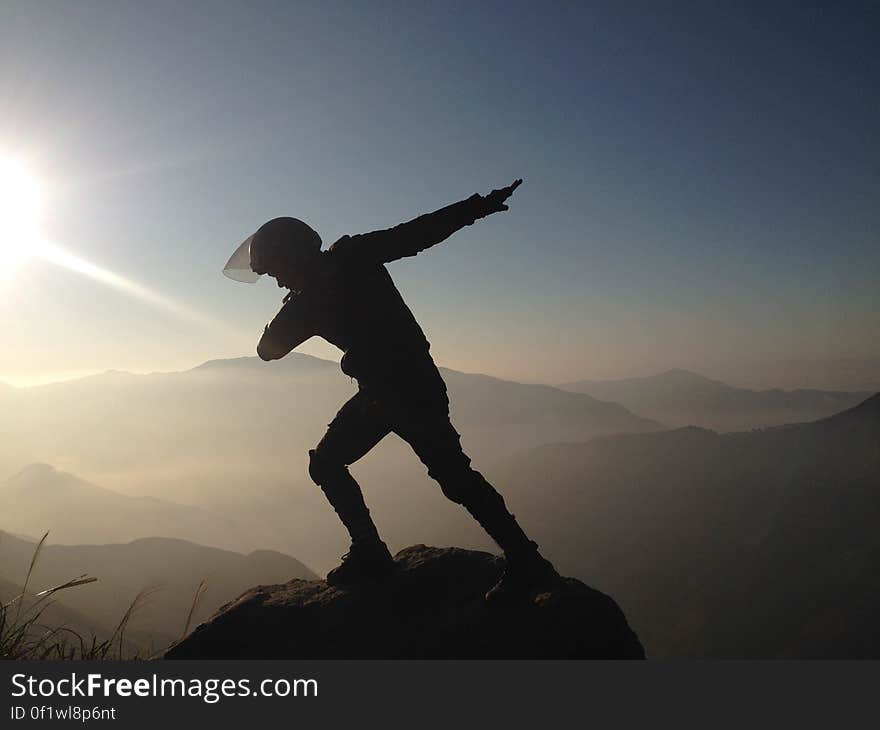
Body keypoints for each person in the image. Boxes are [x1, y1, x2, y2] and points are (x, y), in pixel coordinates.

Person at [223, 179, 556, 604]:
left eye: (276, 271)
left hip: (402, 392)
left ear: (293, 256)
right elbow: (416, 234)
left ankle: (515, 560)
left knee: (428, 474)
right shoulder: (349, 260)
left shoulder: (318, 290)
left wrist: (291, 310)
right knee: (423, 474)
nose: (277, 282)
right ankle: (511, 559)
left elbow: (267, 351)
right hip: (392, 391)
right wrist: (477, 207)